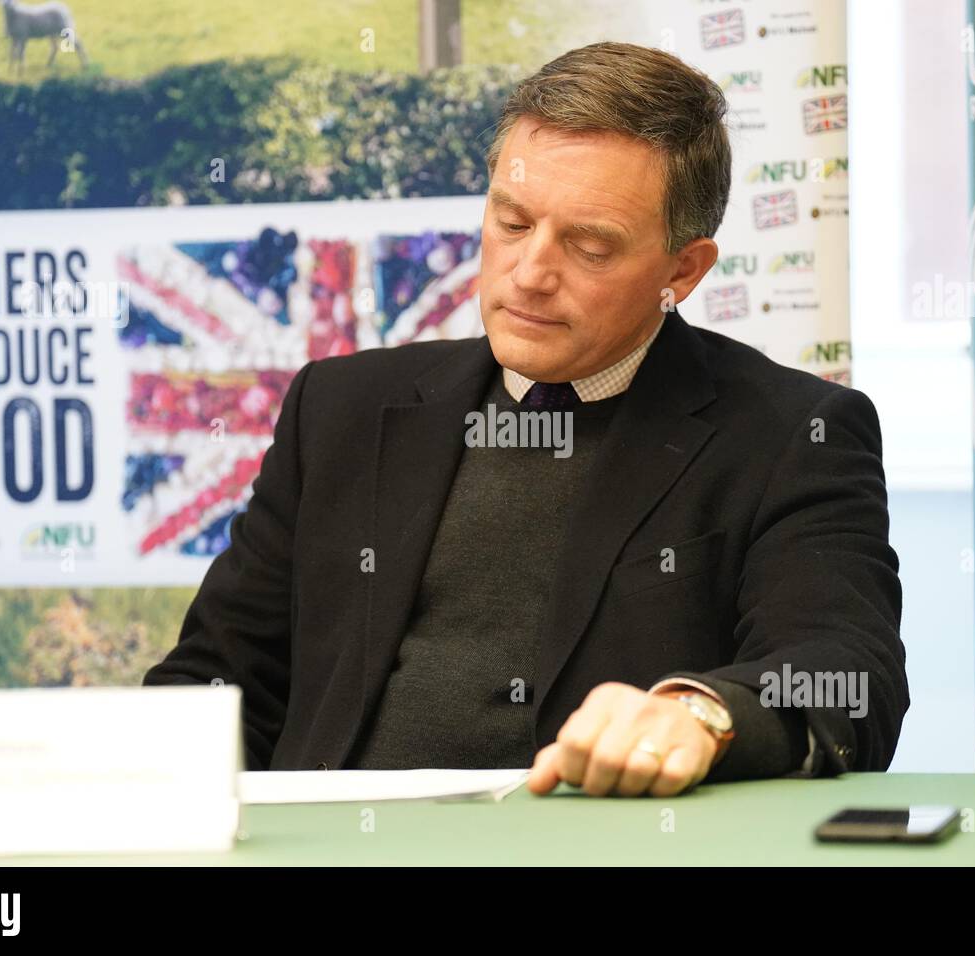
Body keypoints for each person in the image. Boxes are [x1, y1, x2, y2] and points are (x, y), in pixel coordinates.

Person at [144, 41, 907, 798]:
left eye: (589, 245)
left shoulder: (790, 434)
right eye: (512, 223)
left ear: (684, 270)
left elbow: (845, 676)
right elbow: (218, 679)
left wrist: (702, 717)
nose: (532, 274)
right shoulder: (340, 409)